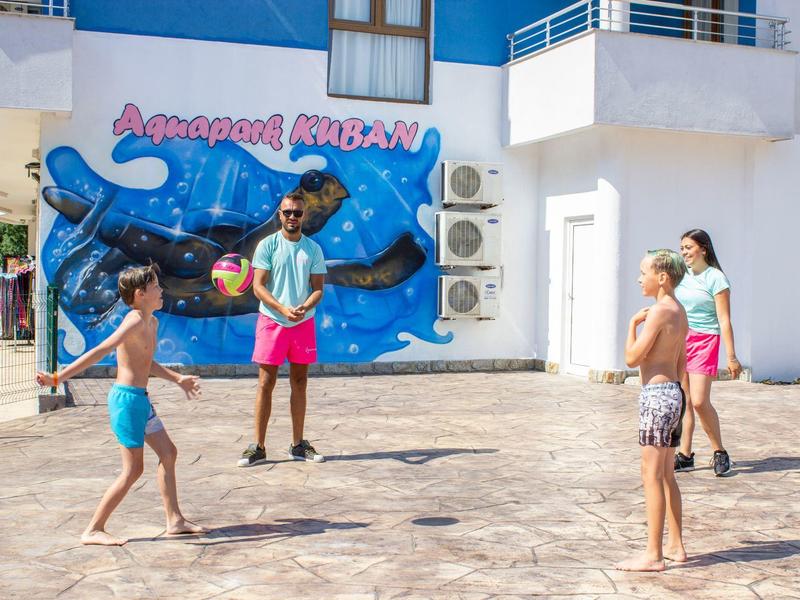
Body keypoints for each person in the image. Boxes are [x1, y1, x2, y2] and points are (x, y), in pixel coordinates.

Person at [36, 264, 205, 546]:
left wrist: (178, 379)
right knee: (133, 470)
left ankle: (174, 520)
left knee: (168, 453)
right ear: (140, 294)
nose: (161, 290)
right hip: (126, 402)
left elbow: (146, 361)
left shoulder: (151, 322)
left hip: (141, 401)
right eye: (155, 286)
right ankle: (94, 529)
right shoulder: (135, 320)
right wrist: (58, 377)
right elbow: (102, 349)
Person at [238, 191, 327, 467]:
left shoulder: (313, 249)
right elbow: (258, 286)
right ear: (280, 214)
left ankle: (298, 445)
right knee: (266, 382)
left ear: (304, 215)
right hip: (272, 321)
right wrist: (281, 309)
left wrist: (302, 308)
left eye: (297, 213)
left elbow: (318, 289)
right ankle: (259, 446)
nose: (292, 217)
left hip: (302, 323)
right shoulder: (267, 245)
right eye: (287, 212)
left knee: (300, 382)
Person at [616, 249, 688, 572]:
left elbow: (632, 358)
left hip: (657, 397)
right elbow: (681, 362)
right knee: (668, 475)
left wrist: (632, 323)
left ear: (662, 277)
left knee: (651, 476)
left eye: (643, 272)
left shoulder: (659, 312)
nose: (639, 278)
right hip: (673, 394)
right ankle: (676, 545)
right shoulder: (679, 310)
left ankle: (653, 554)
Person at [673, 229, 741, 476]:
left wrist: (731, 356)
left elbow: (724, 320)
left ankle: (720, 452)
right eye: (681, 248)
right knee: (686, 401)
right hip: (682, 340)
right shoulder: (682, 276)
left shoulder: (716, 279)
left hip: (705, 340)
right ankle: (685, 455)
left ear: (703, 248)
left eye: (688, 247)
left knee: (700, 401)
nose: (684, 253)